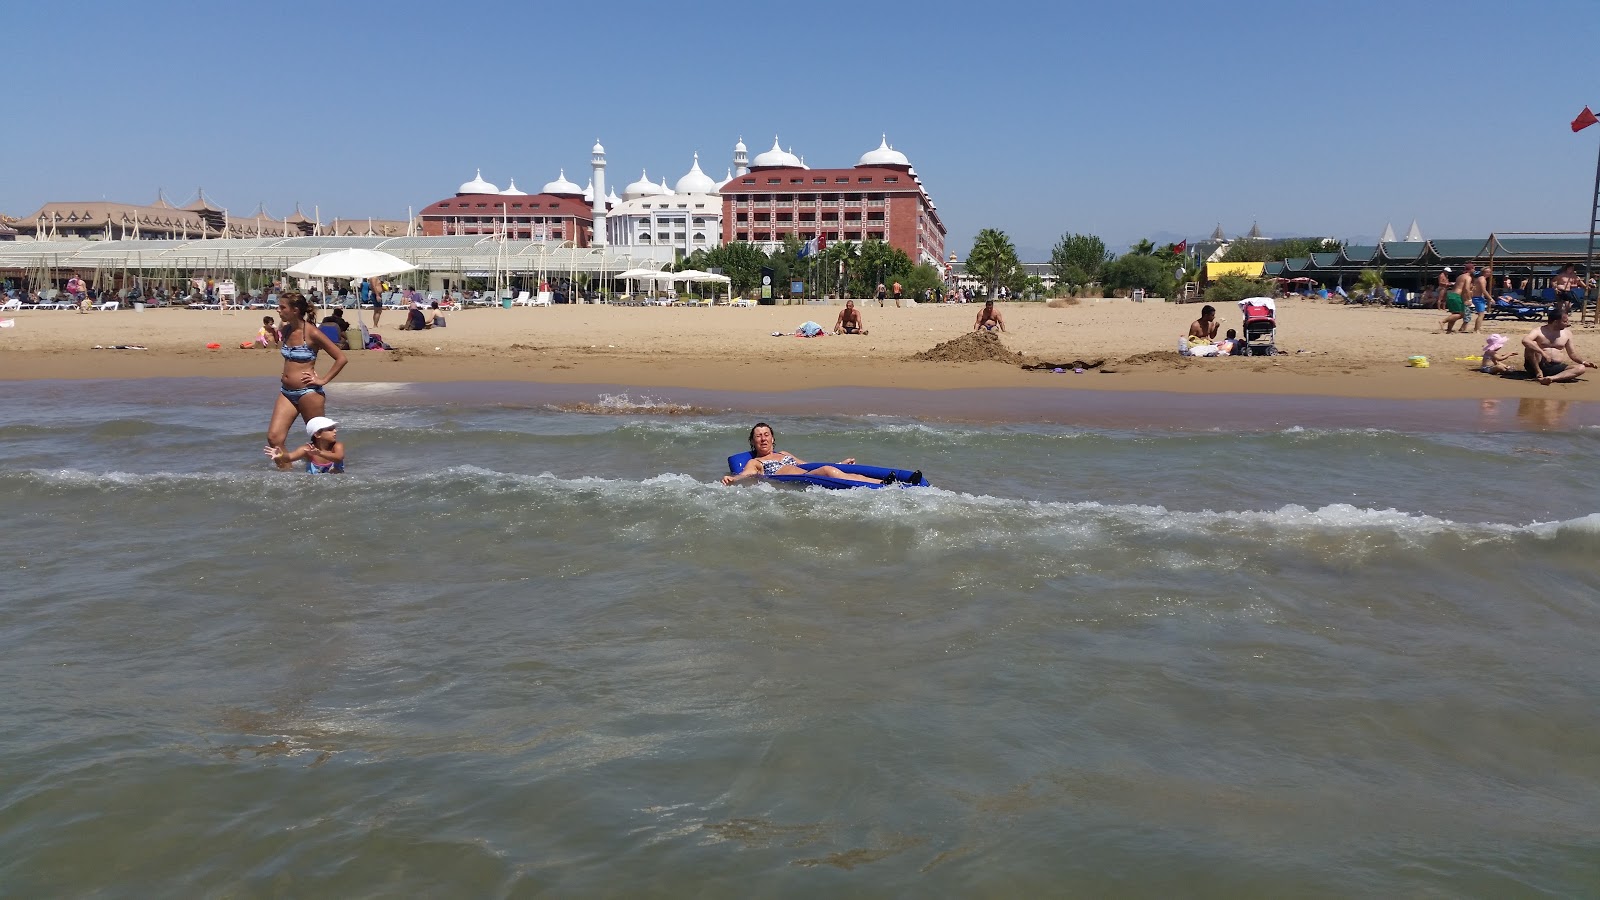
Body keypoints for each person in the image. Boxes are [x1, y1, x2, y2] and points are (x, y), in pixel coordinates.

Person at [266, 291, 348, 456]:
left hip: (308, 393)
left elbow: (341, 358)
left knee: (321, 441)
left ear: (295, 310)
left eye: (282, 307)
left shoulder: (312, 333)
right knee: (274, 438)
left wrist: (322, 380)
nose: (278, 310)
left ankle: (330, 474)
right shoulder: (286, 329)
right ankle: (286, 477)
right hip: (287, 392)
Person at [722, 422, 918, 486]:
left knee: (840, 471)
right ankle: (883, 485)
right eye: (758, 436)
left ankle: (895, 483)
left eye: (766, 435)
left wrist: (839, 463)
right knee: (828, 471)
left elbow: (809, 464)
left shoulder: (784, 453)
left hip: (807, 473)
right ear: (753, 441)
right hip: (797, 481)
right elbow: (745, 474)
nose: (763, 439)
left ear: (773, 438)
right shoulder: (756, 462)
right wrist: (733, 479)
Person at [1521, 306, 1589, 384]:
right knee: (1532, 344)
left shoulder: (1567, 333)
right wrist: (1543, 353)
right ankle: (1538, 373)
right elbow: (1525, 340)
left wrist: (1583, 362)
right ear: (1556, 322)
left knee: (1581, 368)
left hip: (1554, 367)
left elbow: (1572, 353)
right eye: (1565, 321)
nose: (1567, 324)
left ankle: (1551, 378)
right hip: (1537, 365)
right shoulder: (1539, 331)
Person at [265, 416, 345, 474]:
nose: (335, 431)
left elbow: (339, 458)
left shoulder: (337, 446)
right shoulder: (307, 449)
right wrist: (281, 455)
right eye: (330, 429)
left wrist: (319, 453)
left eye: (334, 428)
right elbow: (289, 458)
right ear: (317, 434)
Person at [1440, 264, 1471, 333]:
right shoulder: (1468, 277)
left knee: (1455, 314)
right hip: (1456, 296)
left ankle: (1449, 330)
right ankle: (1443, 321)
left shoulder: (1459, 277)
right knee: (1461, 314)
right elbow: (1466, 289)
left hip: (1451, 294)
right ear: (1471, 270)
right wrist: (1469, 299)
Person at [1469, 265, 1492, 333]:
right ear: (1483, 272)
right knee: (1481, 314)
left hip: (1478, 297)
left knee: (1481, 314)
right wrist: (1490, 298)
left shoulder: (1480, 278)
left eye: (1489, 272)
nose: (1489, 273)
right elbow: (1483, 290)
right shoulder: (1482, 279)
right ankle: (1476, 330)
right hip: (1477, 298)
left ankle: (1477, 328)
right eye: (1487, 272)